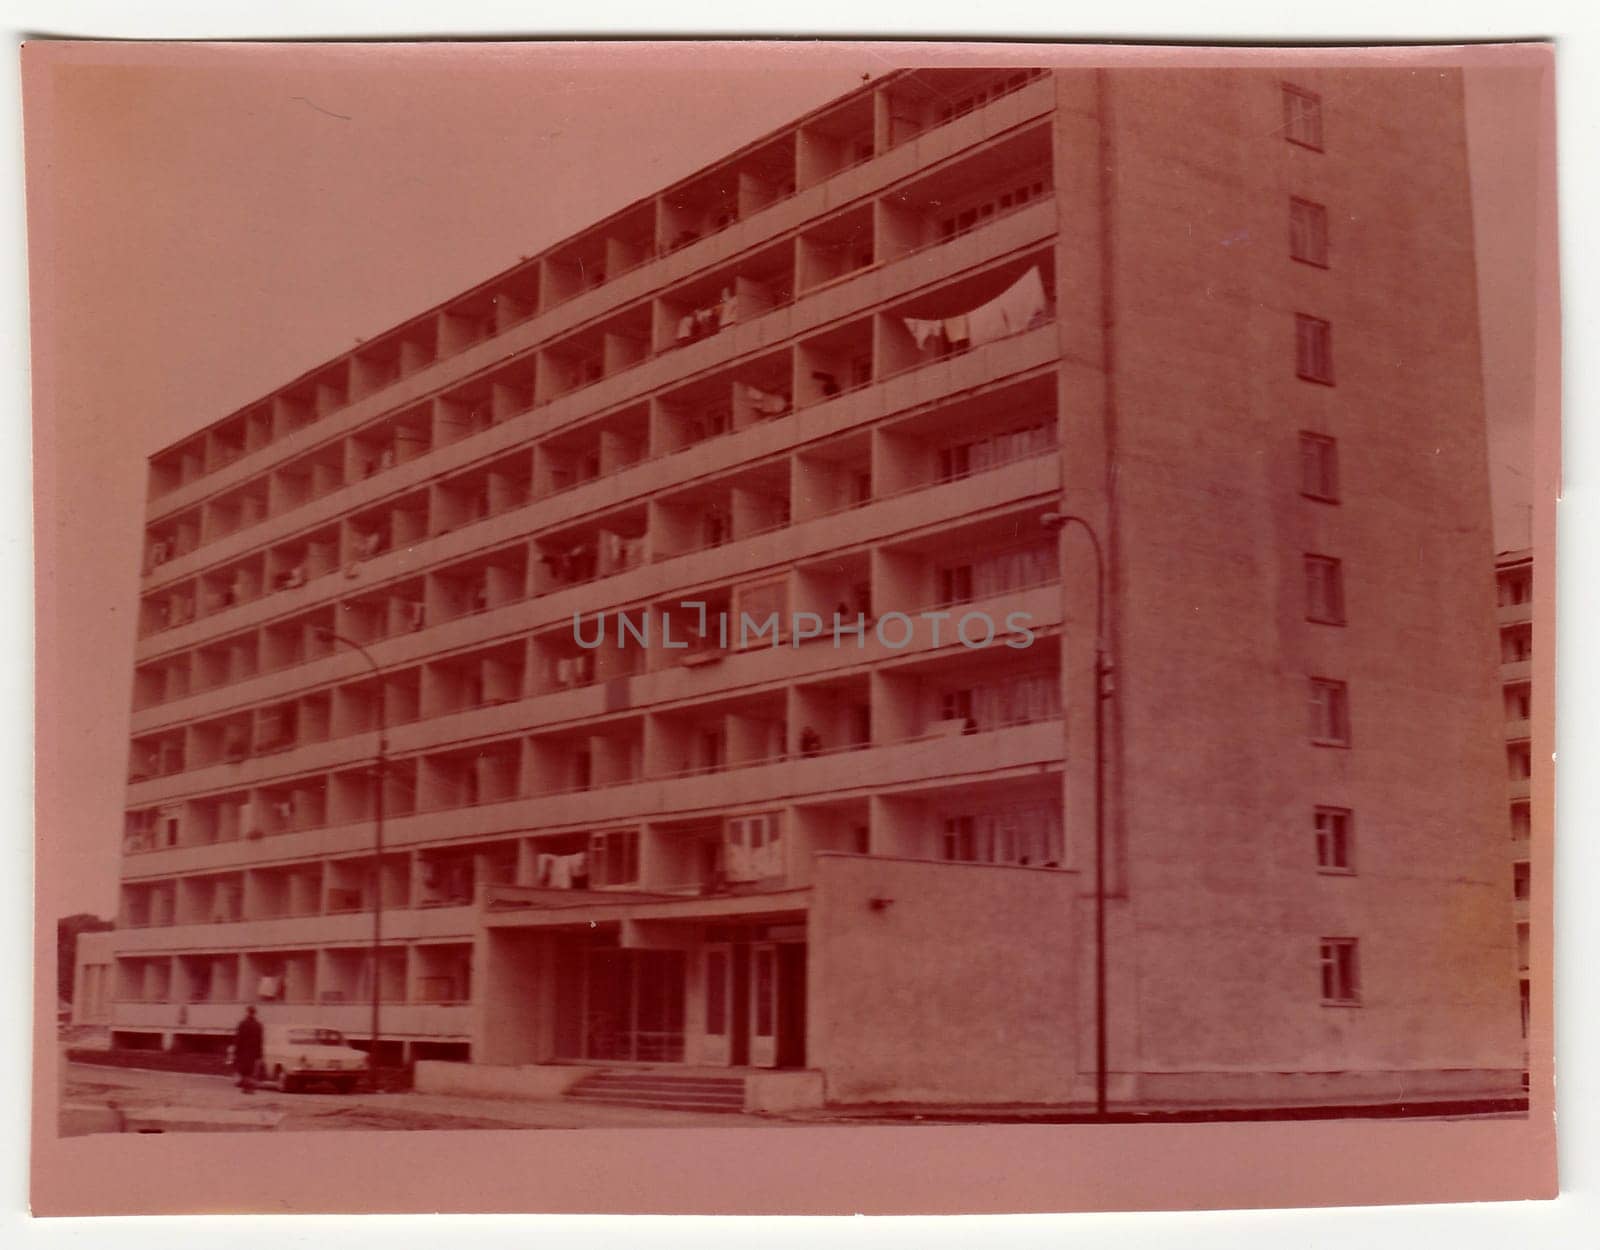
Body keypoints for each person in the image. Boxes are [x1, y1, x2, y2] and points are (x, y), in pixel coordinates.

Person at [233, 1005, 264, 1093]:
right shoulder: (258, 1025)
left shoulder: (242, 1024)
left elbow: (238, 1039)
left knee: (244, 1070)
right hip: (254, 1052)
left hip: (243, 1051)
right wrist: (260, 1054)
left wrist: (236, 1052)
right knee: (251, 1071)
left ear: (247, 1012)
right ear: (255, 1013)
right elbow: (260, 1040)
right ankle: (249, 1088)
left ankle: (247, 1088)